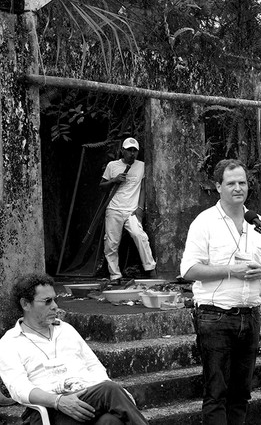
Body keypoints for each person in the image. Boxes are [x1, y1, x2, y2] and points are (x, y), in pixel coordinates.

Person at [180, 159, 261, 425]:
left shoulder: (257, 222)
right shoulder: (205, 222)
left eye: (242, 182)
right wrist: (230, 271)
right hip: (216, 316)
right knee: (216, 392)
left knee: (241, 393)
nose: (238, 188)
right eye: (231, 183)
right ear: (217, 186)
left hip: (251, 314)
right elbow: (189, 270)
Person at [0, 273, 148, 425]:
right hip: (49, 411)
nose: (55, 306)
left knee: (109, 420)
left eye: (55, 300)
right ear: (25, 304)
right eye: (47, 301)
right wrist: (58, 401)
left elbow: (93, 366)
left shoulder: (66, 329)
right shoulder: (10, 342)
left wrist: (107, 396)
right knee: (110, 390)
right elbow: (19, 389)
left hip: (87, 400)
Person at [100, 137, 156, 282]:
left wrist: (140, 209)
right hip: (114, 209)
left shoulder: (142, 166)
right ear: (122, 151)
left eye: (135, 151)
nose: (132, 153)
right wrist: (114, 180)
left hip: (131, 210)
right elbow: (101, 186)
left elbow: (143, 188)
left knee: (140, 236)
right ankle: (115, 275)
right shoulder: (112, 166)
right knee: (111, 243)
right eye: (129, 150)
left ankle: (150, 269)